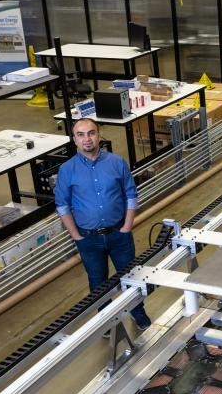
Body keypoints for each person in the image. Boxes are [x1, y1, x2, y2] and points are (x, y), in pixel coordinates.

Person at [55, 118, 151, 330]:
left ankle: (138, 312)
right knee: (98, 282)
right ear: (74, 140)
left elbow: (130, 194)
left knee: (131, 276)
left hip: (119, 234)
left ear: (99, 136)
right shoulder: (67, 170)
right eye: (81, 135)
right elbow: (62, 205)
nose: (86, 139)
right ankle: (106, 321)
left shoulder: (117, 162)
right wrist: (76, 236)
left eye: (91, 133)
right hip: (88, 238)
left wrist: (127, 227)